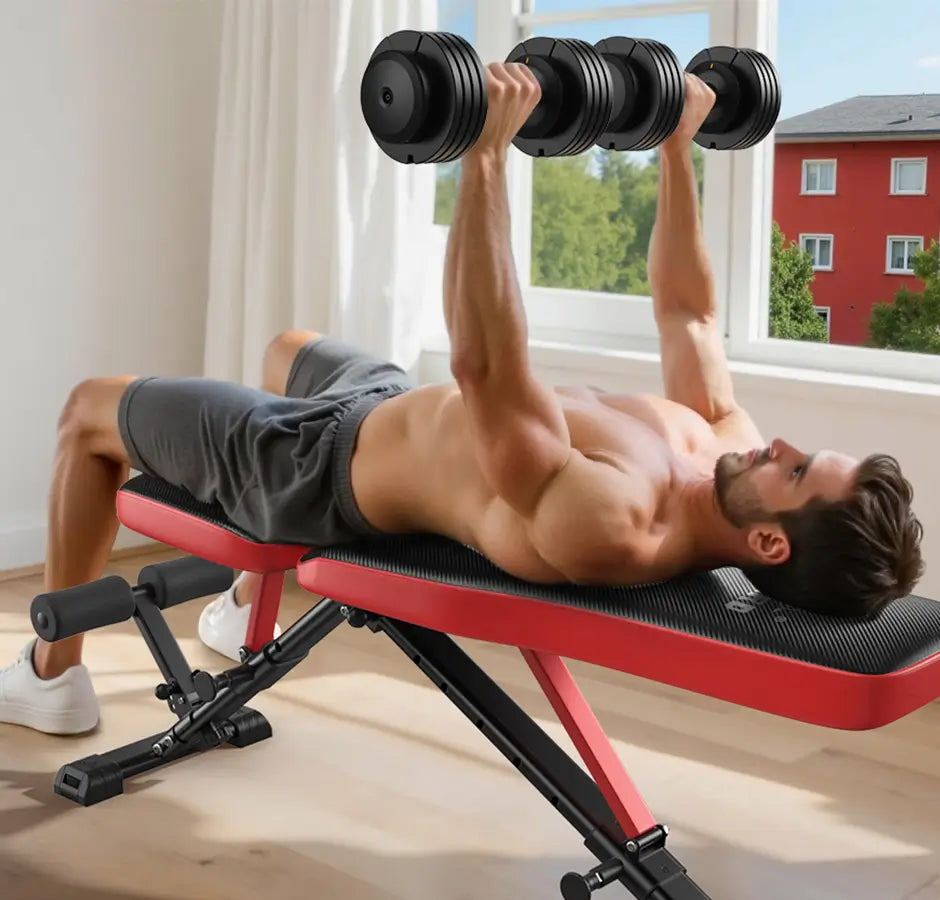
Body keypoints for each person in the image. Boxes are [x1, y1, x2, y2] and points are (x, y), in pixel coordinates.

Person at [0, 66, 923, 736]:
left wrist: (483, 157)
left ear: (770, 542)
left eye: (799, 471)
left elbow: (487, 365)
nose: (782, 445)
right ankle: (247, 605)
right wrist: (678, 148)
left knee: (89, 409)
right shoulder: (726, 451)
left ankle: (52, 678)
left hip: (315, 468)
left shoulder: (618, 522)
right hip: (391, 403)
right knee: (286, 345)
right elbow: (689, 312)